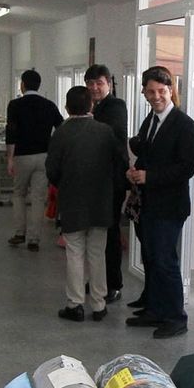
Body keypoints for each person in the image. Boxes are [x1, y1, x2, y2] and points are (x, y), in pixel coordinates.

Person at [126, 66, 194, 340]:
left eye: (162, 91)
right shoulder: (151, 120)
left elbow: (186, 168)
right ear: (144, 92)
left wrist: (150, 176)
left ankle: (176, 317)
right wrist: (135, 172)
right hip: (148, 203)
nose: (157, 96)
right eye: (151, 91)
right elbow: (145, 152)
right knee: (151, 258)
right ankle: (155, 310)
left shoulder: (184, 124)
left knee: (165, 261)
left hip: (169, 206)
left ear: (171, 91)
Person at [46, 86, 126, 322]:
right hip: (101, 202)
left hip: (72, 202)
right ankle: (99, 305)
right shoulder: (105, 132)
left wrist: (65, 183)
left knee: (74, 254)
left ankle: (75, 304)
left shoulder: (61, 133)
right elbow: (118, 164)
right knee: (97, 254)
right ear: (91, 105)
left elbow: (52, 170)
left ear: (67, 107)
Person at [4, 69, 63, 252]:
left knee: (19, 194)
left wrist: (10, 159)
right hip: (44, 157)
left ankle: (20, 233)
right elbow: (61, 127)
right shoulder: (49, 105)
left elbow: (11, 133)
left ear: (23, 84)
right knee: (38, 198)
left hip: (23, 156)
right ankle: (34, 239)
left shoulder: (15, 105)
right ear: (39, 85)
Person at [86, 64, 129, 302]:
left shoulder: (116, 106)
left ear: (109, 85)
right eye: (90, 84)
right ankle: (97, 281)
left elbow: (110, 135)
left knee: (110, 233)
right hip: (94, 180)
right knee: (95, 234)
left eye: (99, 83)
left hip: (112, 181)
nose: (94, 88)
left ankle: (114, 284)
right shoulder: (92, 106)